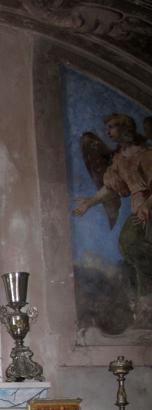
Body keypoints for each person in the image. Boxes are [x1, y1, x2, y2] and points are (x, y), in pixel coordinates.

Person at [74, 113, 152, 296]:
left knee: (130, 243)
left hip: (148, 208)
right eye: (107, 128)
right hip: (139, 210)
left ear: (125, 128)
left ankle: (146, 295)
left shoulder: (146, 155)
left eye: (112, 127)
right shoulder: (120, 159)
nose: (108, 132)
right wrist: (90, 202)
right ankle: (145, 296)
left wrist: (147, 205)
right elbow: (111, 188)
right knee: (127, 246)